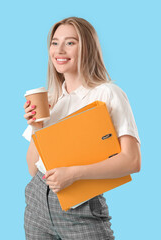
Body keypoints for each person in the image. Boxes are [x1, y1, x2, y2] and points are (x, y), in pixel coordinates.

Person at [22, 17, 141, 240]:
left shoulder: (108, 94)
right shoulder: (51, 99)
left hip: (81, 206)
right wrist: (37, 128)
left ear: (86, 47)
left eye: (70, 42)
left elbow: (132, 161)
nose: (60, 50)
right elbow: (32, 168)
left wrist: (75, 174)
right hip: (37, 205)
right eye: (55, 42)